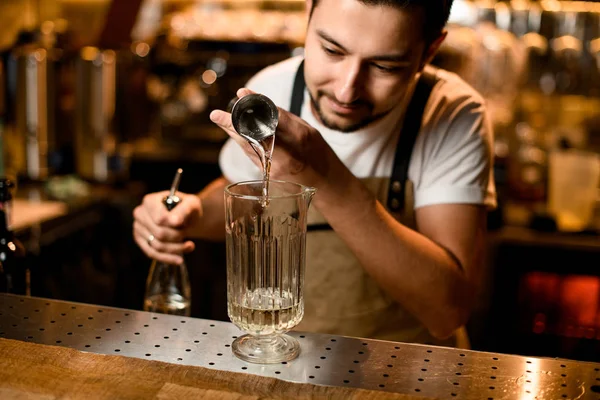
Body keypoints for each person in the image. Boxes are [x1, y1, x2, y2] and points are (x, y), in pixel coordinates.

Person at [133, 0, 496, 347]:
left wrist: (321, 172)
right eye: (332, 51)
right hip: (286, 357)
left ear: (429, 51)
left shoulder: (452, 115)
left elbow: (446, 311)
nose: (346, 90)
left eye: (384, 67)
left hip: (401, 368)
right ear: (308, 12)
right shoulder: (273, 88)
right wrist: (192, 211)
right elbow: (248, 196)